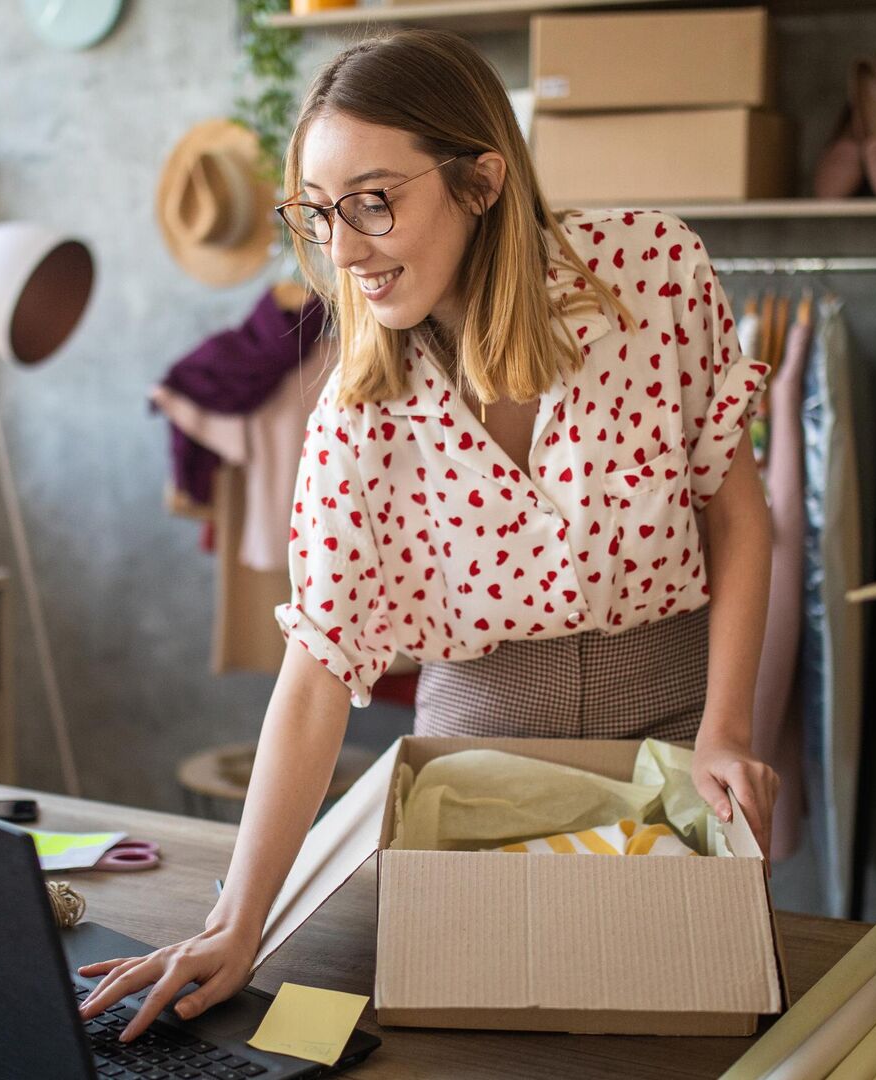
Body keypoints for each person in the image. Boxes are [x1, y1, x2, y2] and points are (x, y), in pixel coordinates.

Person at [81, 28, 778, 1041]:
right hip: (473, 763)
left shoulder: (654, 274)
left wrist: (729, 730)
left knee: (680, 1034)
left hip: (674, 733)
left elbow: (739, 515)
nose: (347, 250)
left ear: (482, 179)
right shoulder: (360, 410)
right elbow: (318, 669)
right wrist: (235, 927)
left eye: (374, 201)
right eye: (320, 215)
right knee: (462, 1048)